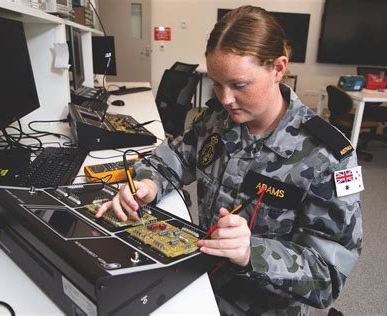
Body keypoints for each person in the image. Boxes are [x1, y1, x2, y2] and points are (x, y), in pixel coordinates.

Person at [97, 5, 362, 315]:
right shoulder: (217, 120)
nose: (225, 99)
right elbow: (176, 158)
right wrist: (147, 184)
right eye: (217, 84)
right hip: (198, 281)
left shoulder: (328, 157)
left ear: (278, 68)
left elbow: (328, 278)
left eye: (238, 85)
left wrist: (252, 252)